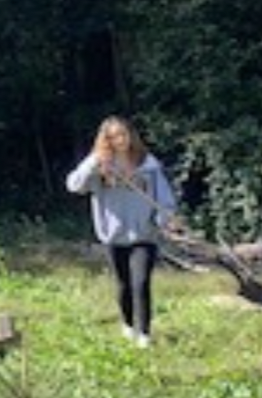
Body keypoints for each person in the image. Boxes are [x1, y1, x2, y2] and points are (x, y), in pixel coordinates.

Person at [66, 116, 178, 346]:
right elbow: (74, 185)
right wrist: (94, 161)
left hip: (144, 235)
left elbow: (164, 199)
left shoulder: (148, 165)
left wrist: (163, 219)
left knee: (141, 283)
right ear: (106, 140)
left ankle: (144, 336)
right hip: (114, 237)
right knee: (123, 284)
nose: (120, 140)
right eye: (113, 136)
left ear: (131, 135)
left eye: (123, 134)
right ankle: (128, 325)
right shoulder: (100, 168)